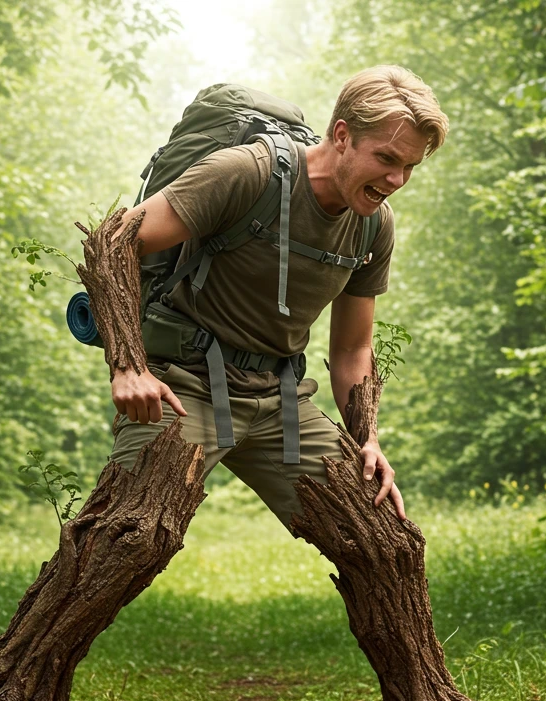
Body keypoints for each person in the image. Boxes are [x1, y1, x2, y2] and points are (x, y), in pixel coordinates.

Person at [108, 65, 448, 528]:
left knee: (385, 538)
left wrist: (368, 438)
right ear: (343, 135)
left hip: (281, 399)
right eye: (387, 159)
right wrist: (128, 367)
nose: (397, 180)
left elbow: (351, 348)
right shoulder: (248, 172)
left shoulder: (373, 224)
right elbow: (113, 244)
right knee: (129, 535)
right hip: (185, 386)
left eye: (410, 166)